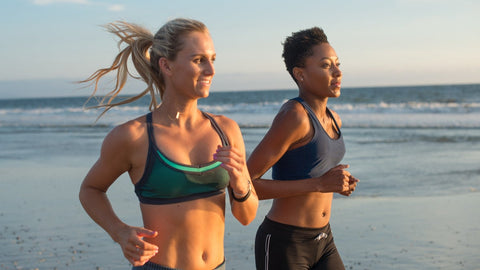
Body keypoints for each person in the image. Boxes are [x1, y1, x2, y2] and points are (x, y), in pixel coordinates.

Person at [78, 18, 258, 270]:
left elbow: (246, 216)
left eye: (212, 59)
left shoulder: (226, 130)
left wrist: (240, 184)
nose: (211, 70)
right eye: (199, 60)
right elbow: (90, 189)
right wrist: (119, 232)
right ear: (167, 66)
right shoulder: (134, 136)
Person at [247, 27, 359, 270]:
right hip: (284, 242)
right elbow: (245, 184)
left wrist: (338, 182)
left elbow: (313, 169)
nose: (338, 72)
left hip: (323, 239)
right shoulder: (294, 116)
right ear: (300, 74)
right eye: (326, 65)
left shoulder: (334, 119)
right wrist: (319, 185)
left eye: (337, 64)